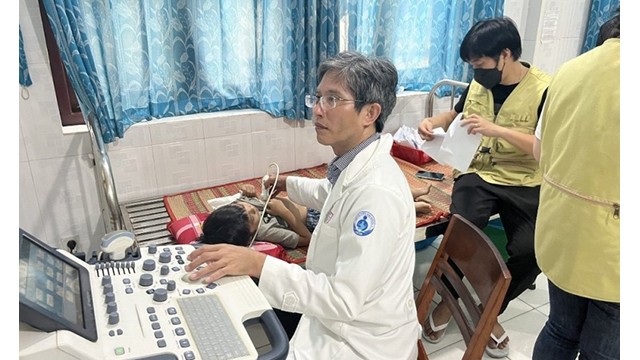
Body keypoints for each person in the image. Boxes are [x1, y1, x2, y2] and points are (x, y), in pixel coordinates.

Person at [185, 51, 421, 359]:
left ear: (370, 113)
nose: (318, 111)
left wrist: (258, 263)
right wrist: (289, 184)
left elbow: (343, 300)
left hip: (359, 340)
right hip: (336, 316)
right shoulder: (355, 166)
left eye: (333, 100)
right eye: (318, 97)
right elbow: (333, 194)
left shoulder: (376, 195)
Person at [417, 17, 550, 358]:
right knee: (462, 233)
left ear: (505, 54)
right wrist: (434, 121)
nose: (476, 71)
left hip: (522, 179)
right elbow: (457, 115)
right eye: (472, 65)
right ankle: (447, 304)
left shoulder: (545, 90)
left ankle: (490, 312)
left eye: (480, 63)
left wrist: (498, 130)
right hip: (477, 171)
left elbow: (544, 148)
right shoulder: (478, 84)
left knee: (534, 252)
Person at [531, 12, 619, 360]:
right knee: (603, 349)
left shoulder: (570, 70)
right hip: (613, 251)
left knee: (560, 328)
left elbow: (540, 151)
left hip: (562, 231)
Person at [199, 184, 317, 248]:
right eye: (251, 218)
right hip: (314, 217)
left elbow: (256, 200)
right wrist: (284, 212)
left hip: (307, 200)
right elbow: (307, 239)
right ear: (250, 236)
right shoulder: (266, 231)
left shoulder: (238, 207)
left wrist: (249, 190)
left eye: (241, 207)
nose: (251, 209)